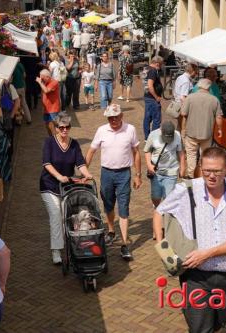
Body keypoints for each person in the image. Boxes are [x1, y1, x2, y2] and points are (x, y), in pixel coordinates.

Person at [153, 147, 226, 333]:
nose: (211, 176)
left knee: (220, 323)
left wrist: (207, 253)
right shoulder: (185, 190)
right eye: (206, 170)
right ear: (200, 167)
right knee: (200, 328)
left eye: (216, 171)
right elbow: (159, 212)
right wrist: (163, 249)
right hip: (195, 277)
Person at [86, 104, 142, 260]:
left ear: (121, 116)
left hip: (124, 173)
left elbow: (136, 152)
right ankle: (111, 231)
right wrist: (84, 172)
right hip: (106, 173)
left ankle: (124, 245)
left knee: (123, 207)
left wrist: (138, 174)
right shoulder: (101, 130)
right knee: (108, 204)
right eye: (110, 118)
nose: (113, 120)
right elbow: (91, 151)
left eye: (116, 117)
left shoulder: (130, 129)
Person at [40, 114, 93, 264]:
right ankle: (56, 251)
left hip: (67, 186)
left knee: (70, 215)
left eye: (67, 127)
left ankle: (75, 243)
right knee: (56, 216)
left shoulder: (74, 144)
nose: (64, 130)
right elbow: (47, 163)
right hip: (49, 186)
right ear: (56, 128)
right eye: (61, 127)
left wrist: (87, 174)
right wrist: (58, 176)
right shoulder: (49, 142)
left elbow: (80, 163)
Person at [144, 121, 185, 239]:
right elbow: (147, 151)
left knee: (169, 200)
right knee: (156, 198)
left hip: (171, 172)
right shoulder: (153, 135)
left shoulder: (177, 135)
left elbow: (181, 152)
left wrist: (182, 167)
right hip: (156, 173)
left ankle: (166, 230)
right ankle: (157, 223)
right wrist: (148, 165)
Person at [181, 78, 223, 179]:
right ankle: (202, 175)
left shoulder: (190, 98)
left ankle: (191, 175)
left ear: (199, 86)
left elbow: (183, 114)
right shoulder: (214, 100)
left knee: (191, 155)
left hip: (191, 132)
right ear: (209, 88)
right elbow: (219, 117)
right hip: (206, 134)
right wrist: (220, 129)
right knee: (205, 155)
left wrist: (183, 129)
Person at [174, 63, 198, 136]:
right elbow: (182, 97)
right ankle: (182, 142)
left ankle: (178, 140)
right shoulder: (186, 81)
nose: (196, 74)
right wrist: (188, 109)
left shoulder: (180, 77)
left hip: (177, 104)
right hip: (182, 106)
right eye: (196, 72)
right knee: (183, 127)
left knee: (179, 126)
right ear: (192, 71)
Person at [143, 56, 164, 140]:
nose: (161, 66)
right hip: (152, 98)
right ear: (157, 63)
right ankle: (153, 138)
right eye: (161, 64)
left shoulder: (146, 68)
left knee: (147, 118)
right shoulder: (153, 70)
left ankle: (147, 137)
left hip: (147, 96)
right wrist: (156, 97)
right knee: (156, 119)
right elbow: (150, 85)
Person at [36, 69, 60, 136]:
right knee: (48, 127)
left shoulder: (54, 82)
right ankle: (51, 140)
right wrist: (43, 106)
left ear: (47, 77)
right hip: (46, 109)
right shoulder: (44, 83)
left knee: (52, 126)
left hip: (53, 108)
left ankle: (56, 141)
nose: (41, 79)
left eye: (42, 78)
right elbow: (43, 94)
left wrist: (40, 82)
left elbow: (46, 91)